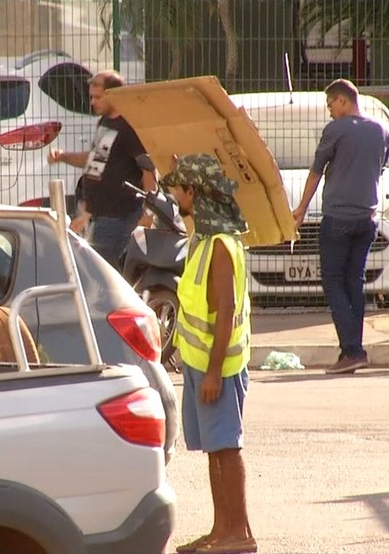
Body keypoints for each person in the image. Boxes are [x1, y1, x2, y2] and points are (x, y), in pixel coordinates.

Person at [165, 154, 257, 554]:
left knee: (226, 447)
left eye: (180, 188)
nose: (174, 195)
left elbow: (224, 315)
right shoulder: (204, 236)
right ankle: (222, 531)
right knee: (213, 451)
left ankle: (238, 533)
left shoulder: (220, 246)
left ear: (195, 194)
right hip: (200, 363)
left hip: (217, 366)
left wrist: (216, 372)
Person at [291, 78, 389, 375]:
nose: (330, 111)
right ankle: (351, 350)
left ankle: (353, 350)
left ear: (343, 100)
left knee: (333, 282)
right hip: (367, 220)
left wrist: (300, 210)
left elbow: (315, 172)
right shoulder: (381, 131)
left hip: (338, 219)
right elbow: (379, 167)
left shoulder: (335, 130)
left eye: (331, 104)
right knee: (354, 283)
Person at [48, 70, 156, 269]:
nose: (92, 103)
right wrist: (63, 156)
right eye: (91, 97)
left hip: (120, 217)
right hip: (99, 216)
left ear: (114, 95)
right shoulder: (105, 122)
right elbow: (95, 161)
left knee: (104, 276)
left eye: (97, 97)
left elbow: (148, 171)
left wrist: (149, 214)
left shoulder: (129, 127)